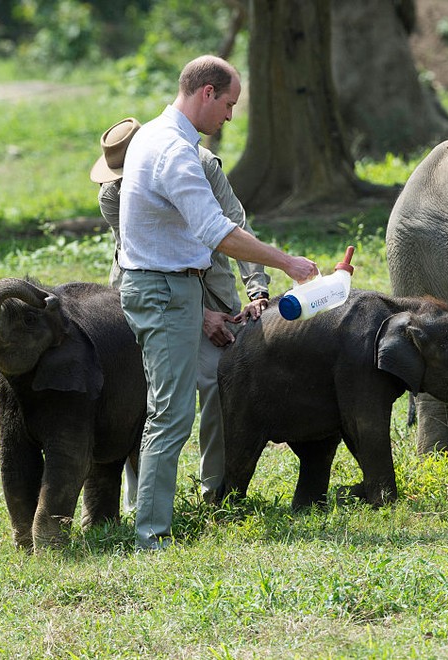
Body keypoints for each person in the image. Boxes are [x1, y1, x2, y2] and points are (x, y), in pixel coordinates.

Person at [116, 55, 318, 550]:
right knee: (170, 412)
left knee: (189, 395)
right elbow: (215, 231)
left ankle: (191, 503)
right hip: (163, 288)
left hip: (171, 286)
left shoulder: (154, 135)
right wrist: (286, 263)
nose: (230, 116)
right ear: (206, 93)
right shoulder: (176, 152)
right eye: (228, 104)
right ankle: (151, 536)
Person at [90, 116, 272, 509]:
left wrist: (257, 289)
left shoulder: (202, 165)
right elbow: (145, 256)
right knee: (144, 397)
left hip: (212, 288)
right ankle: (141, 502)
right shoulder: (112, 196)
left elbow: (233, 224)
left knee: (219, 382)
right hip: (150, 296)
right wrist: (198, 315)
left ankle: (217, 493)